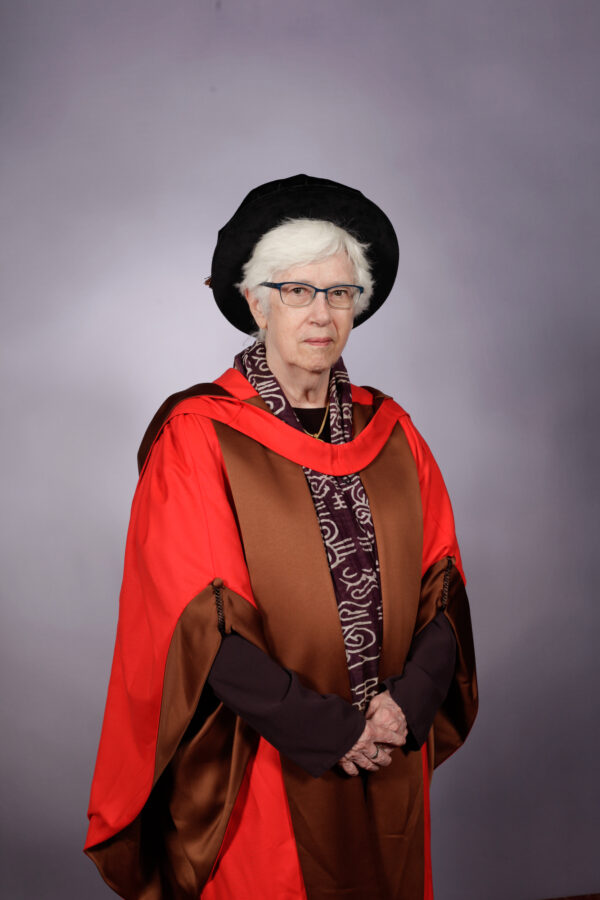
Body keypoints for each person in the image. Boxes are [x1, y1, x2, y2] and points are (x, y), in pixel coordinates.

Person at [85, 174, 478, 900]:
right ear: (255, 301)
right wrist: (330, 730)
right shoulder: (200, 436)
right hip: (266, 762)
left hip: (389, 752)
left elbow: (442, 589)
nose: (321, 313)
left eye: (340, 292)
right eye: (296, 290)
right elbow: (198, 624)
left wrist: (405, 706)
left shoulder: (393, 434)